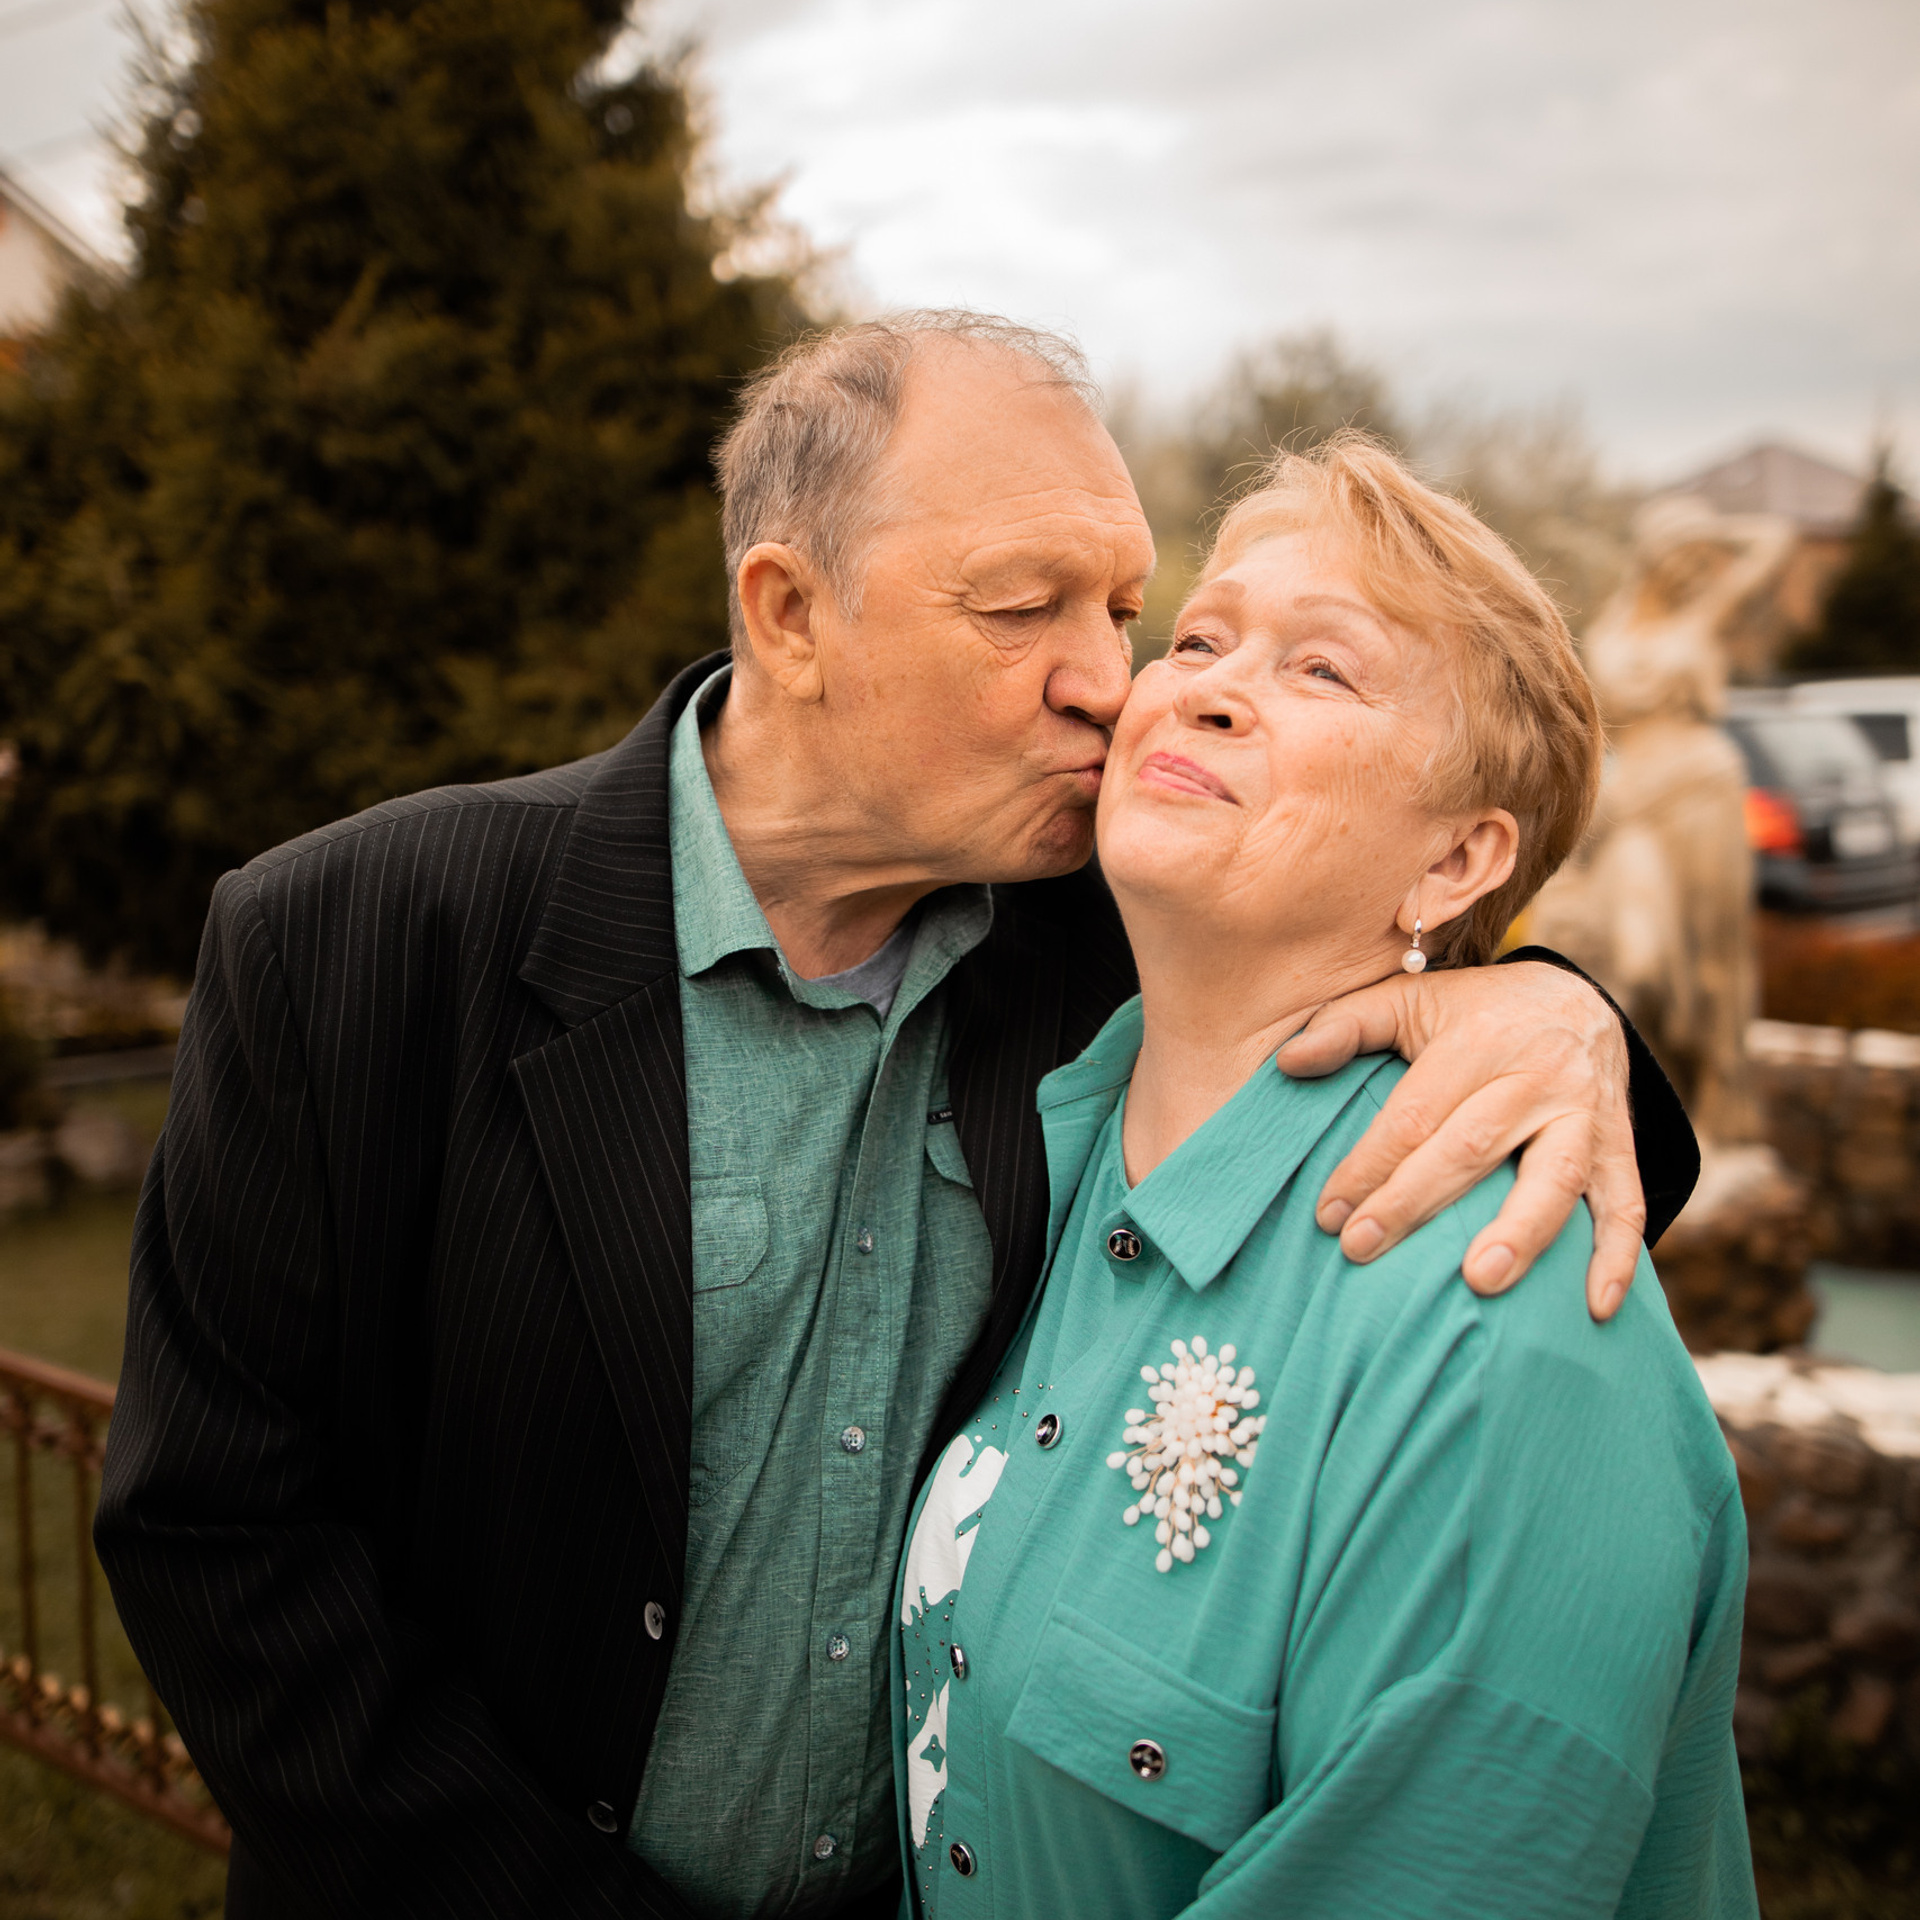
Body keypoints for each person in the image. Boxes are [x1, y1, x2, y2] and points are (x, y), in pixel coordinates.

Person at [96, 314, 1698, 1920]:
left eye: (1130, 612)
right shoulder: (355, 939)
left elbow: (1356, 956)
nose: (1113, 682)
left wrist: (1557, 1009)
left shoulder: (1089, 937)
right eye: (1025, 609)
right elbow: (215, 1532)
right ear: (790, 613)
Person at [895, 434, 1753, 1920]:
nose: (1206, 684)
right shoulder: (1033, 1139)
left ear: (1457, 862)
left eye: (1324, 672)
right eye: (1205, 635)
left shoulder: (1504, 1336)